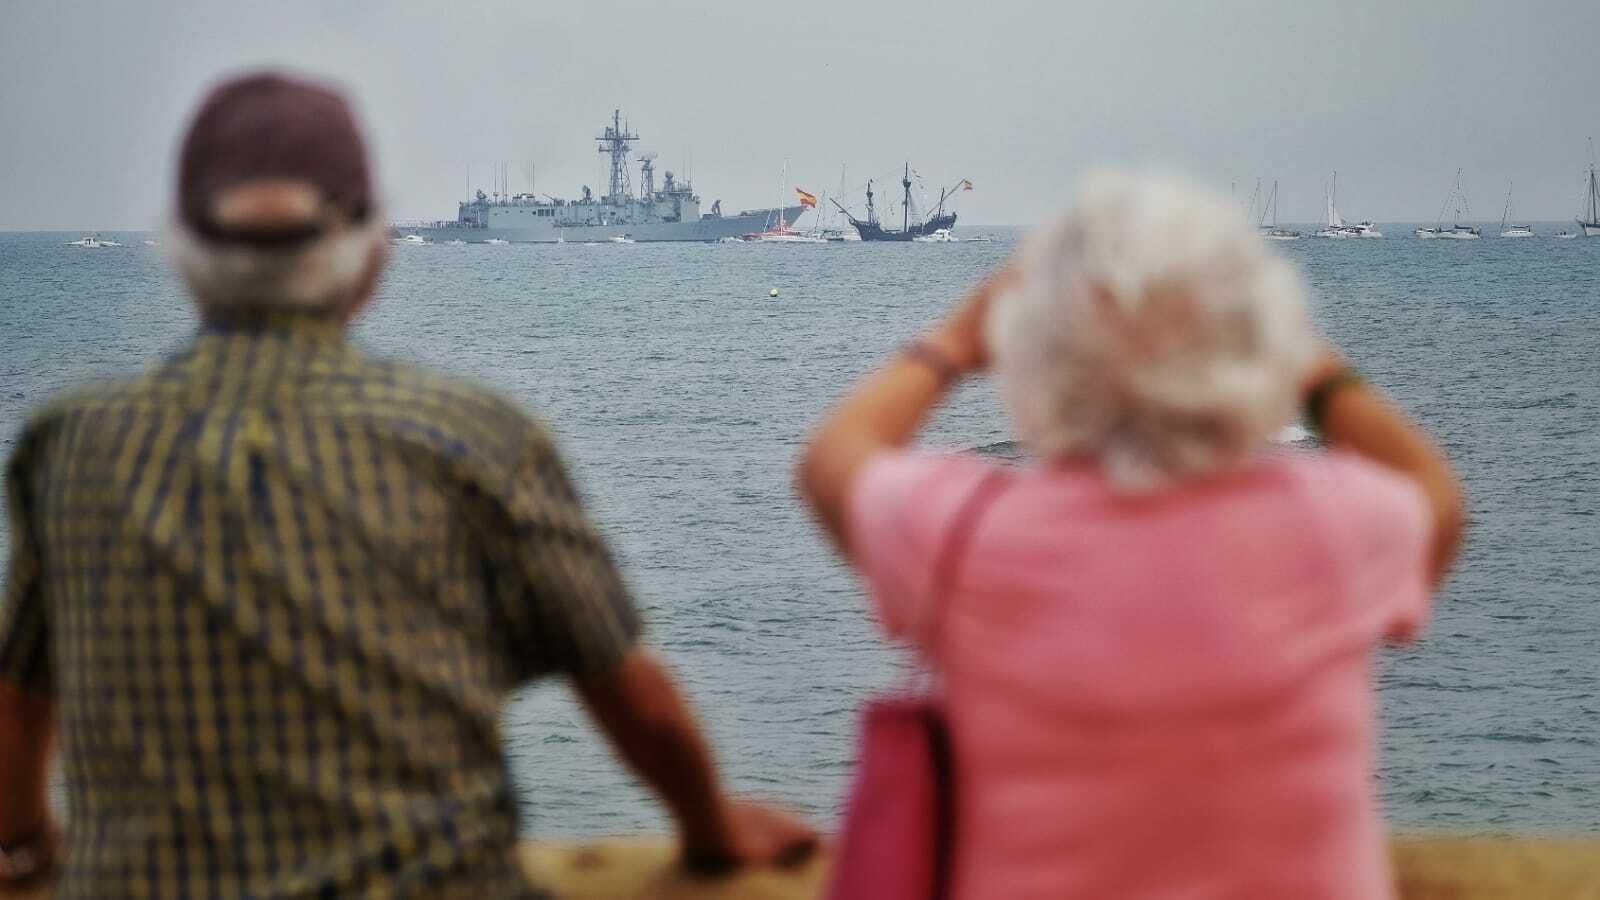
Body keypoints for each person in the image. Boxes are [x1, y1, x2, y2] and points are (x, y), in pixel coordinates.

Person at [0, 71, 813, 899]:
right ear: (370, 258)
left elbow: (16, 688)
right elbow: (630, 692)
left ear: (180, 251)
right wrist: (711, 824)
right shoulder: (476, 437)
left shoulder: (62, 443)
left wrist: (25, 848)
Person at [799, 173, 1465, 899]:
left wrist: (954, 341)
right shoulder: (1329, 524)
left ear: (1030, 352)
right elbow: (1435, 496)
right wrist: (1307, 362)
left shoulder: (970, 532)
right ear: (1255, 346)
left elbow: (833, 461)